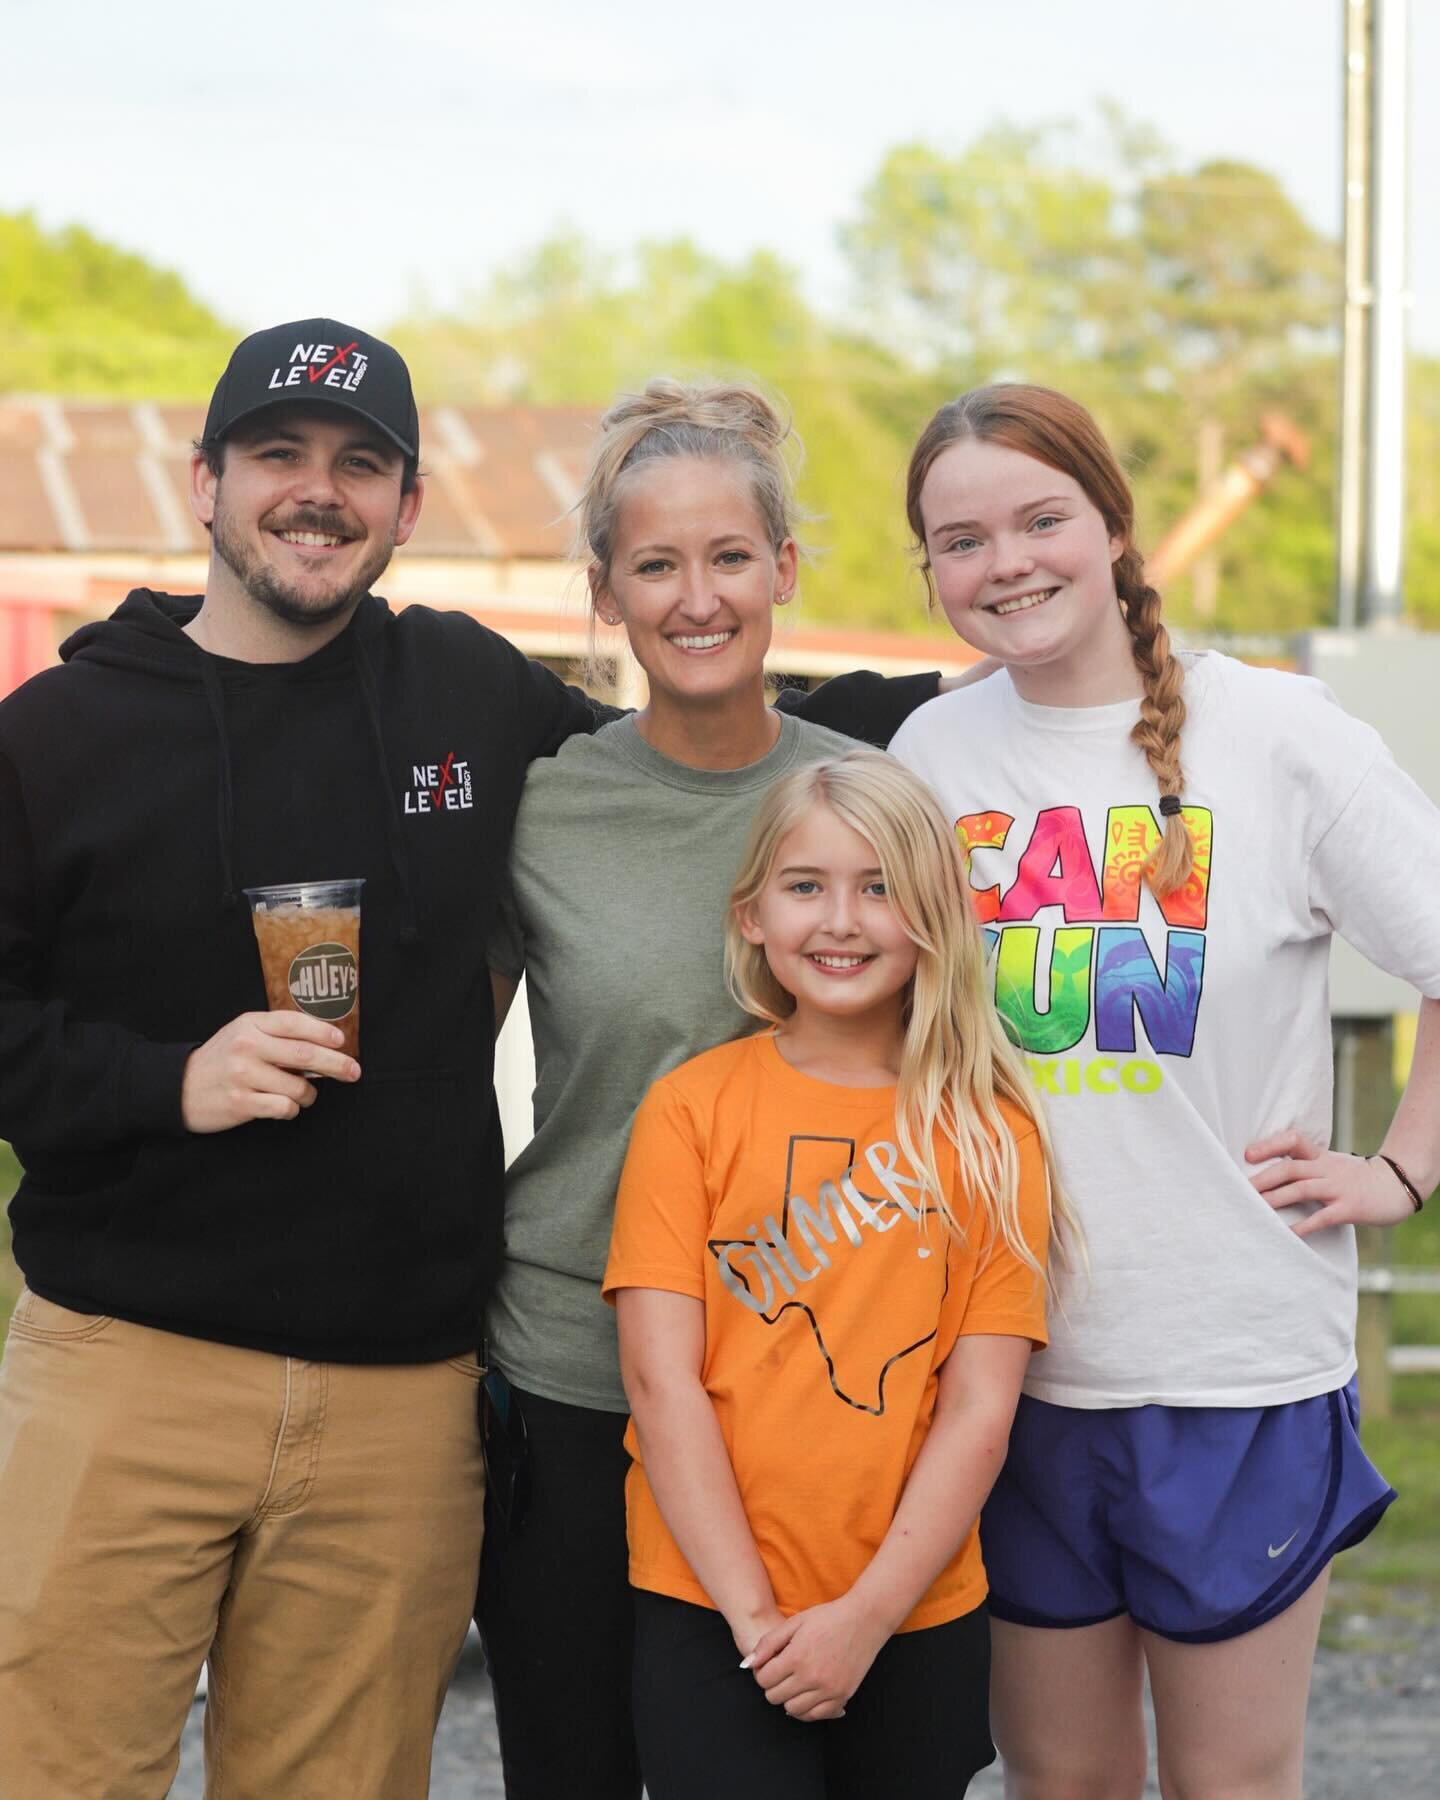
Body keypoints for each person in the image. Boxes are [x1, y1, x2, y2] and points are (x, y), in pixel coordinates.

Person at [0, 315, 630, 1800]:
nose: (317, 492)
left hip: (400, 1400)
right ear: (206, 481)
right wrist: (169, 1080)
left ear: (408, 508)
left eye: (361, 465)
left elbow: (688, 769)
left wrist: (990, 712)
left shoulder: (471, 693)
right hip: (124, 1368)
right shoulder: (57, 734)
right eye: (278, 454)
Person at [889, 382, 1440, 1800]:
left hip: (1232, 1366)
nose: (1005, 562)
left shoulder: (1277, 733)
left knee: (1230, 1787)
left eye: (1039, 519)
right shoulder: (932, 761)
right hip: (1008, 1376)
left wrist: (1403, 1170)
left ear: (1115, 522)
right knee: (1059, 1788)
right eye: (961, 541)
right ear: (933, 573)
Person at [479, 379, 955, 1798]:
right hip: (574, 1376)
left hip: (813, 1383)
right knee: (572, 1770)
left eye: (731, 557)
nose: (699, 597)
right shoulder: (544, 805)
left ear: (786, 572)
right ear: (607, 591)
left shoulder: (871, 798)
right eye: (657, 564)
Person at [603, 750, 1075, 1798]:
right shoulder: (691, 1109)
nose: (842, 921)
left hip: (914, 1609)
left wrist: (862, 1621)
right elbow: (659, 1383)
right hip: (710, 1605)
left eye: (880, 889)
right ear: (750, 917)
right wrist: (757, 1623)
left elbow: (980, 1412)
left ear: (934, 918)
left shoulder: (991, 1134)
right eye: (807, 887)